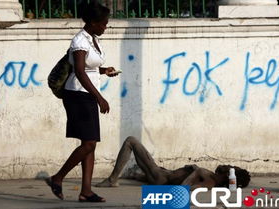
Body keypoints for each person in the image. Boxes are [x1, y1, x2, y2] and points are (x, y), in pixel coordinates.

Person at [45, 1, 119, 203]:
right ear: (93, 22)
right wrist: (99, 97)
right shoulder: (80, 41)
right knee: (88, 144)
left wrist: (104, 71)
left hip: (86, 95)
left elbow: (88, 69)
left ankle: (86, 191)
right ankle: (57, 178)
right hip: (78, 96)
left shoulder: (92, 39)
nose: (105, 26)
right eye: (103, 23)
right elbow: (78, 70)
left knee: (90, 143)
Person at [96, 136, 251, 190]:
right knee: (133, 150)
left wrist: (196, 171)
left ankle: (112, 180)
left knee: (131, 141)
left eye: (230, 168)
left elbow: (182, 191)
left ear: (229, 175)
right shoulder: (209, 175)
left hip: (159, 177)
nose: (226, 166)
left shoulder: (209, 181)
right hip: (160, 174)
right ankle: (132, 175)